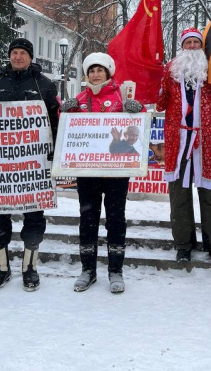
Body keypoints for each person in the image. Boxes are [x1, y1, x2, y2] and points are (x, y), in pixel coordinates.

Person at [0, 37, 59, 292]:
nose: (18, 57)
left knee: (34, 217)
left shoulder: (44, 85)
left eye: (22, 53)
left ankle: (29, 267)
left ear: (31, 57)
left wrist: (55, 150)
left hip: (34, 167)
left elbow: (56, 120)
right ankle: (1, 268)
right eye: (14, 53)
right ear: (9, 56)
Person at [60, 53, 144, 293]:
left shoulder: (121, 96)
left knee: (116, 220)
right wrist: (64, 112)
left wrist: (137, 110)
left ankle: (115, 270)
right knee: (88, 219)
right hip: (87, 171)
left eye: (100, 70)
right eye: (92, 71)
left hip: (116, 171)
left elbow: (138, 123)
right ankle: (88, 269)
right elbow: (68, 130)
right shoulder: (80, 98)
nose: (96, 75)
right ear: (86, 75)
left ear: (109, 73)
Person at [156, 28, 211, 265]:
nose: (191, 46)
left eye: (195, 43)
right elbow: (160, 103)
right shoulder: (170, 69)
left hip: (206, 140)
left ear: (201, 46)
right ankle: (183, 245)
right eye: (187, 42)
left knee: (210, 193)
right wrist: (152, 83)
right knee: (179, 193)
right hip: (177, 139)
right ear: (181, 46)